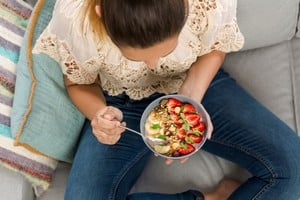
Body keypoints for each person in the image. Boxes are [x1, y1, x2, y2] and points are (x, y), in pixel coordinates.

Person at [33, 0, 300, 199]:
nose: (153, 64)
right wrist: (99, 114)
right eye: (137, 56)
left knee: (295, 169)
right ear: (101, 13)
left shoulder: (204, 4)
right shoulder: (74, 18)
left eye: (166, 50)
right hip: (121, 102)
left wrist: (191, 98)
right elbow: (78, 81)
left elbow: (216, 46)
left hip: (195, 83)